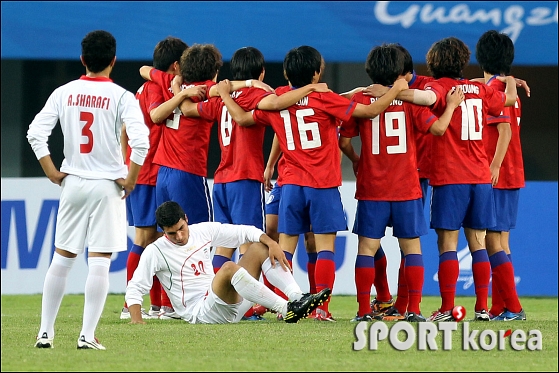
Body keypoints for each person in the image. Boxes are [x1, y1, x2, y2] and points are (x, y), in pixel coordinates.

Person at [216, 45, 408, 321]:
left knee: (284, 249)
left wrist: (224, 94)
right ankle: (322, 309)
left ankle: (281, 305)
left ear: (285, 73)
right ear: (317, 73)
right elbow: (370, 111)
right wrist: (396, 89)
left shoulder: (277, 97)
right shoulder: (325, 99)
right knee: (325, 248)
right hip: (322, 184)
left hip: (291, 185)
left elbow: (245, 118)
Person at [171, 46, 330, 320]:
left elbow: (187, 109)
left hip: (220, 180)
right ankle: (252, 307)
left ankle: (215, 300)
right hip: (245, 178)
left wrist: (178, 88)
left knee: (224, 245)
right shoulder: (259, 94)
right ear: (262, 71)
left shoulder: (221, 97)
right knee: (252, 246)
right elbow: (281, 105)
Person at [28, 30, 150, 350]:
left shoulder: (64, 92)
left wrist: (53, 172)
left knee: (63, 258)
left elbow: (35, 134)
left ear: (82, 59)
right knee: (99, 260)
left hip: (73, 181)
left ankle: (45, 333)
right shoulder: (123, 97)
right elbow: (140, 142)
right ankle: (86, 335)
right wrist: (132, 178)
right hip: (107, 185)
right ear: (113, 60)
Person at [390, 37, 517, 322]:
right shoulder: (480, 89)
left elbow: (424, 98)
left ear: (434, 62)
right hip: (481, 178)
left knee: (447, 244)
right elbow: (508, 99)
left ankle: (448, 309)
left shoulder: (440, 87)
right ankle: (482, 309)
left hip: (451, 178)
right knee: (478, 242)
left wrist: (394, 92)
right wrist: (510, 81)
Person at [339, 44, 464, 323]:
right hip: (407, 186)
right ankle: (415, 310)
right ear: (401, 72)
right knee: (411, 249)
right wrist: (452, 106)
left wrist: (357, 160)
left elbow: (344, 141)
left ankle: (362, 311)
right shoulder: (412, 101)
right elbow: (438, 129)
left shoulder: (362, 97)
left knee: (367, 249)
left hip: (372, 187)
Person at [125, 201, 331, 324]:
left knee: (259, 247)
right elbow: (136, 286)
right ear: (163, 231)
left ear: (186, 218)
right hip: (202, 313)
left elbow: (243, 231)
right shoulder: (156, 250)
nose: (179, 236)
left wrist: (271, 243)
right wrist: (136, 318)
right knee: (228, 268)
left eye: (181, 228)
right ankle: (287, 309)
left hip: (228, 303)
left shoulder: (201, 230)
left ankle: (298, 297)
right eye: (172, 233)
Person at [119, 36, 205, 321]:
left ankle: (159, 305)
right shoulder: (157, 87)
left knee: (156, 237)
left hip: (146, 169)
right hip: (148, 171)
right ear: (176, 64)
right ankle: (135, 303)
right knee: (145, 238)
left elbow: (124, 128)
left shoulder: (146, 84)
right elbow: (156, 116)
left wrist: (124, 159)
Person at [476, 30, 526, 321]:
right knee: (501, 242)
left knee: (492, 242)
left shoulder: (495, 91)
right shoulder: (506, 89)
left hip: (498, 173)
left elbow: (504, 130)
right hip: (512, 172)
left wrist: (493, 166)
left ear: (481, 57)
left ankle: (514, 307)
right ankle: (500, 307)